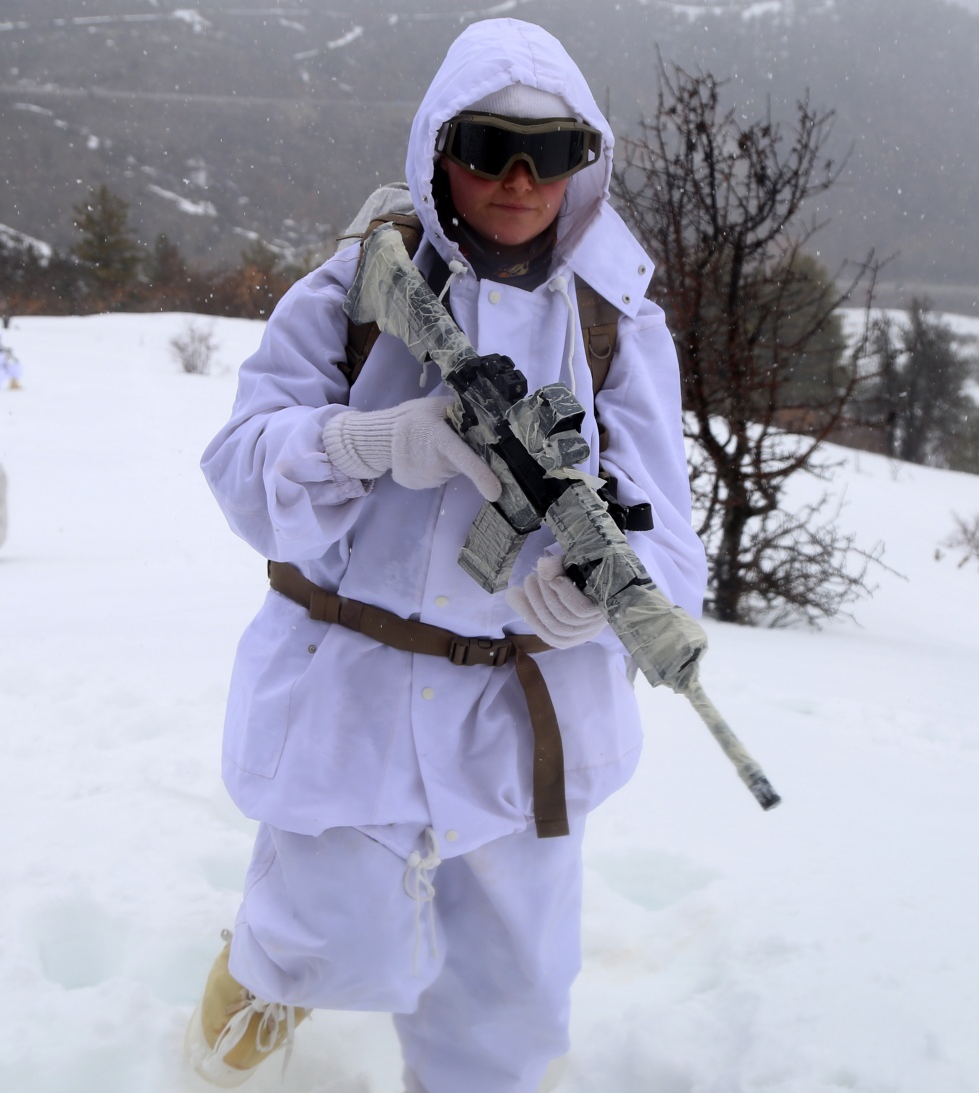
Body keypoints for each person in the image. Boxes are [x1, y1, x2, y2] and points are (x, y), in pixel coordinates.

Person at [194, 19, 706, 1092]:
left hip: (528, 708)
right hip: (353, 681)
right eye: (486, 148)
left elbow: (663, 519)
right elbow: (239, 461)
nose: (519, 181)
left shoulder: (614, 321)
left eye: (553, 152)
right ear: (438, 151)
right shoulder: (350, 290)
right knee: (322, 930)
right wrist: (367, 441)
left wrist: (598, 599)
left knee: (509, 991)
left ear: (587, 161)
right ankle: (252, 987)